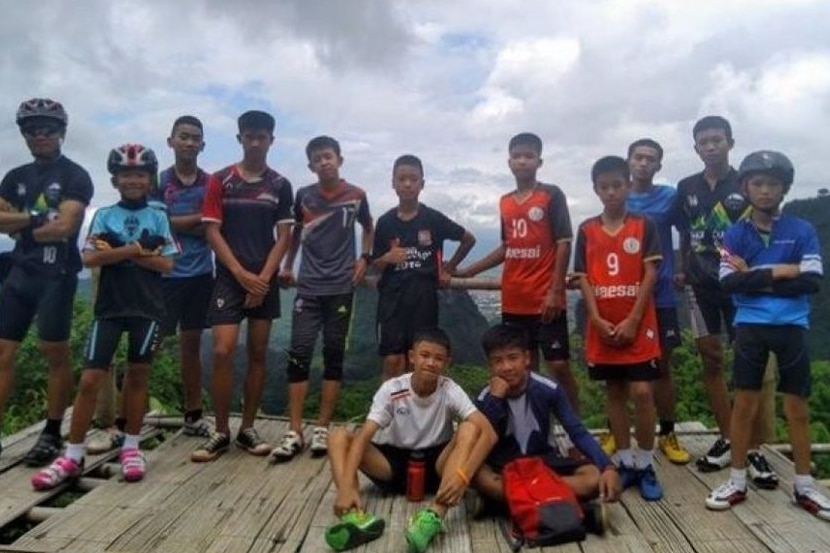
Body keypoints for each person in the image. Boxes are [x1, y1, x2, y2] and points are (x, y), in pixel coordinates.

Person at [31, 144, 178, 489]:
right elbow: (89, 258)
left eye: (140, 174)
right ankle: (72, 454)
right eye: (126, 174)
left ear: (149, 178)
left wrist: (117, 251)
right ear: (115, 179)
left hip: (147, 308)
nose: (133, 180)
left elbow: (168, 264)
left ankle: (131, 446)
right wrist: (138, 250)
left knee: (138, 377)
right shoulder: (104, 215)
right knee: (90, 380)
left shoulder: (158, 216)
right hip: (109, 308)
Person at [705, 150, 830, 520]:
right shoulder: (735, 232)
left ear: (784, 189)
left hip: (792, 327)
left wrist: (755, 275)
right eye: (757, 183)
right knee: (744, 405)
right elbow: (727, 283)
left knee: (797, 409)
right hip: (751, 326)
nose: (764, 190)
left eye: (772, 184)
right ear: (745, 187)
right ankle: (738, 480)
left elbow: (811, 281)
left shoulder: (801, 229)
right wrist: (782, 272)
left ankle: (805, 485)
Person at [324, 328, 494, 553]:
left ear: (447, 363)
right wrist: (345, 485)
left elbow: (488, 433)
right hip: (394, 463)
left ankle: (434, 517)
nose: (431, 363)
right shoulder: (393, 389)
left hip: (438, 466)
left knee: (469, 427)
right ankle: (354, 515)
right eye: (425, 355)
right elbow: (364, 436)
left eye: (438, 358)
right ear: (412, 357)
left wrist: (463, 476)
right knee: (338, 437)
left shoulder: (449, 390)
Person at [676, 116, 778, 484]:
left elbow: (768, 227)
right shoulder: (686, 187)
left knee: (748, 363)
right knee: (711, 359)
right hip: (699, 285)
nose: (711, 147)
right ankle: (728, 436)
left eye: (717, 140)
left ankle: (752, 448)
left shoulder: (747, 184)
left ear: (730, 143)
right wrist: (680, 266)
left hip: (740, 286)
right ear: (696, 148)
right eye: (704, 142)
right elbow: (684, 231)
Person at [190, 110, 293, 462]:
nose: (255, 142)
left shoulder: (279, 185)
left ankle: (247, 428)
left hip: (263, 278)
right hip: (229, 278)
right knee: (222, 351)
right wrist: (240, 274)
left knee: (259, 353)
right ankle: (220, 431)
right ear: (239, 139)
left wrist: (262, 278)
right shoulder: (221, 180)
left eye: (261, 136)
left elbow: (284, 236)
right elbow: (212, 230)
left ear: (271, 140)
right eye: (249, 136)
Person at [454, 133, 579, 422]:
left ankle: (575, 427)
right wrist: (469, 271)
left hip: (545, 298)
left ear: (539, 161)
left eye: (529, 155)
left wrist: (556, 289)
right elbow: (508, 247)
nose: (522, 160)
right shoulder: (505, 202)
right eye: (517, 155)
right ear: (509, 161)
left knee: (559, 366)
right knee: (526, 369)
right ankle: (531, 427)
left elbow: (564, 241)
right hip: (514, 299)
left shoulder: (551, 195)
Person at [0, 98, 94, 464]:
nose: (40, 135)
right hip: (20, 274)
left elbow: (66, 227)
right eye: (31, 129)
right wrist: (40, 218)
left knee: (54, 353)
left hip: (57, 275)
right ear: (23, 134)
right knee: (3, 354)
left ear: (62, 132)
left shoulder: (75, 175)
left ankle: (52, 430)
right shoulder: (15, 176)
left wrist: (21, 221)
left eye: (48, 129)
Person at [273, 135, 373, 462]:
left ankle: (322, 427)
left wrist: (364, 259)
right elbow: (296, 234)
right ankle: (294, 429)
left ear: (339, 159)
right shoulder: (304, 196)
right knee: (299, 354)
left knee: (333, 356)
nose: (324, 162)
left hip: (341, 287)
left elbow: (368, 227)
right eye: (318, 158)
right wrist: (289, 264)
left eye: (328, 156)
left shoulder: (356, 195)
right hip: (309, 287)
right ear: (311, 165)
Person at [573, 155, 663, 500]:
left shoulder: (644, 225)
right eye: (604, 187)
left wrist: (634, 319)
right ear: (596, 190)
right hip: (603, 324)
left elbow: (651, 273)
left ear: (627, 185)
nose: (611, 192)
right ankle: (625, 461)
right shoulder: (587, 229)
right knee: (613, 391)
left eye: (616, 185)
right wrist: (595, 318)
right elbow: (582, 277)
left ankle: (646, 461)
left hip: (639, 323)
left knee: (642, 391)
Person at [597, 139, 690, 464]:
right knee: (618, 372)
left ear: (658, 166)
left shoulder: (669, 197)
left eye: (651, 159)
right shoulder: (617, 195)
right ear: (628, 161)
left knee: (662, 367)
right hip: (620, 296)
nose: (644, 164)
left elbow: (688, 230)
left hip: (660, 295)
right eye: (638, 157)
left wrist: (684, 267)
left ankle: (667, 432)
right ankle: (614, 431)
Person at [472, 324, 620, 514]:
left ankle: (506, 503)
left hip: (543, 462)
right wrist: (496, 399)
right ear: (490, 366)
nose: (507, 367)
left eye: (513, 358)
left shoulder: (548, 389)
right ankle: (558, 502)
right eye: (498, 361)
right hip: (504, 466)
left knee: (592, 478)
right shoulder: (485, 398)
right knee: (479, 475)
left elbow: (577, 431)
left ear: (526, 358)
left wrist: (607, 466)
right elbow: (481, 438)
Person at [372, 154, 476, 380]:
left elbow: (468, 239)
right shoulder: (385, 222)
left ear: (422, 183)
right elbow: (375, 265)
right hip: (391, 300)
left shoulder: (433, 218)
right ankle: (387, 412)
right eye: (402, 179)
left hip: (423, 298)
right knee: (392, 360)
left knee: (418, 360)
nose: (407, 184)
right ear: (393, 183)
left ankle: (414, 413)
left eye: (413, 179)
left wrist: (449, 268)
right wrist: (387, 258)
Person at [157, 115, 214, 436]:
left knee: (191, 347)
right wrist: (198, 221)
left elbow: (215, 223)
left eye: (195, 138)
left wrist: (176, 220)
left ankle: (193, 415)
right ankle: (125, 420)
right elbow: (157, 223)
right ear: (171, 141)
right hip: (164, 275)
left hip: (200, 275)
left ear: (203, 145)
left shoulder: (211, 183)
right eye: (184, 136)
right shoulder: (158, 181)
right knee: (148, 346)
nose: (190, 142)